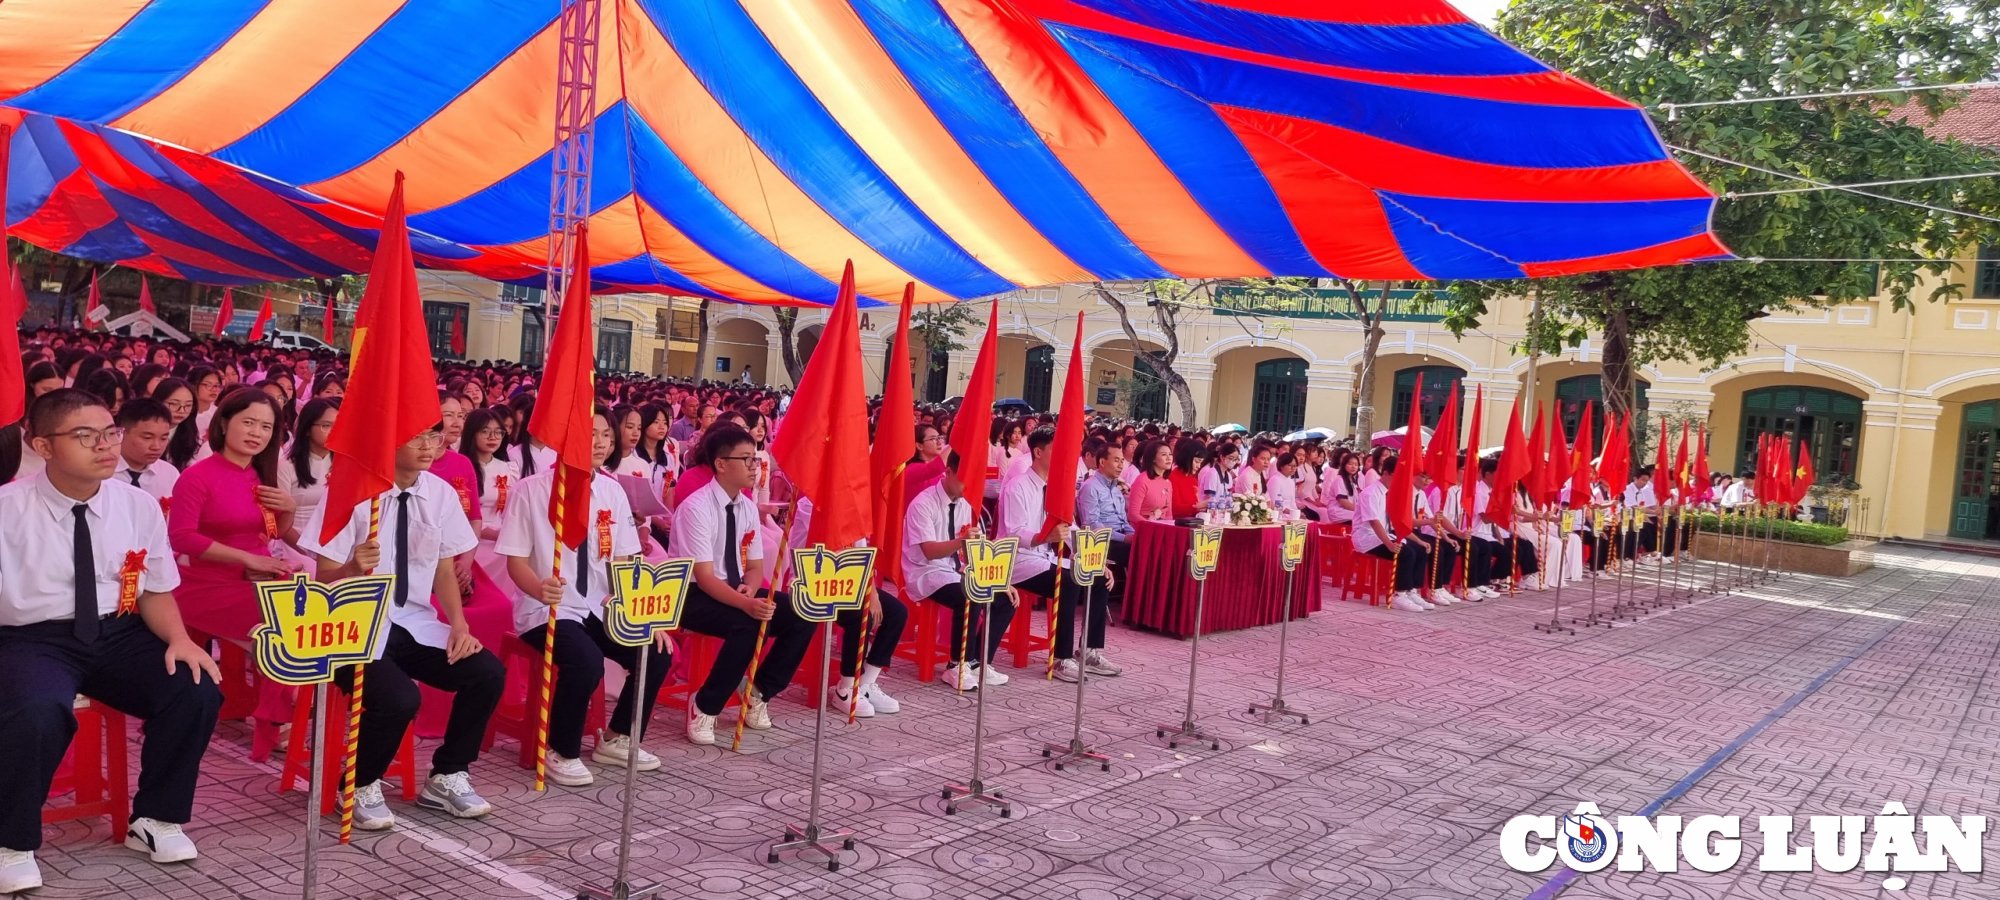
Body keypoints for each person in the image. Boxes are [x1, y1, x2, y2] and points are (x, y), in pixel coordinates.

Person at [0, 389, 223, 893]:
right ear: (44, 445)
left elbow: (156, 589)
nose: (105, 446)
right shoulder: (7, 510)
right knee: (36, 708)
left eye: (109, 433)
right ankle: (10, 841)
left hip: (118, 630)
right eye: (85, 436)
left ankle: (155, 819)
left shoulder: (137, 505)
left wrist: (180, 640)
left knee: (194, 686)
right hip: (32, 638)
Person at [303, 422, 503, 830]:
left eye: (434, 437)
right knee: (399, 699)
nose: (428, 447)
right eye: (415, 437)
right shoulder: (352, 491)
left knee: (486, 672)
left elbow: (444, 567)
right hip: (353, 626)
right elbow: (323, 577)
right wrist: (351, 567)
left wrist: (459, 626)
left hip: (413, 621)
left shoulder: (440, 493)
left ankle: (447, 774)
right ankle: (358, 785)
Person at [498, 408, 666, 786]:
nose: (600, 442)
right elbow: (515, 561)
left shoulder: (611, 490)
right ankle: (561, 748)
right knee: (586, 661)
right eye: (589, 433)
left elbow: (624, 559)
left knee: (653, 651)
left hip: (599, 605)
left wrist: (639, 613)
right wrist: (538, 587)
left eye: (606, 434)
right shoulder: (532, 490)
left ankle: (618, 736)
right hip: (547, 607)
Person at [167, 391, 298, 758]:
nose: (257, 433)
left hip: (259, 577)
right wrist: (247, 559)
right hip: (204, 584)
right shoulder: (197, 477)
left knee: (307, 615)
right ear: (224, 423)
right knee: (280, 629)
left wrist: (286, 509)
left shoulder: (259, 475)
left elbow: (272, 532)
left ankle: (283, 707)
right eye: (249, 422)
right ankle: (278, 717)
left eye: (267, 427)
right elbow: (182, 537)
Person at [667, 424, 813, 745]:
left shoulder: (746, 506)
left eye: (756, 459)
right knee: (747, 623)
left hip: (734, 590)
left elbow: (755, 565)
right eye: (746, 459)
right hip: (692, 594)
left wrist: (748, 587)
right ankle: (705, 705)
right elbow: (704, 577)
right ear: (721, 464)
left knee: (803, 613)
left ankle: (759, 691)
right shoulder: (696, 508)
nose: (754, 467)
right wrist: (746, 602)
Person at [1001, 427, 1116, 683]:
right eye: (1056, 450)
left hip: (1047, 558)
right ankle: (1062, 658)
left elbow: (1071, 528)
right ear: (1039, 452)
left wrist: (1092, 558)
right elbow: (1014, 532)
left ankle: (1089, 649)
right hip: (1019, 559)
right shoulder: (1018, 487)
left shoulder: (1056, 487)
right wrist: (1044, 538)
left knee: (1097, 579)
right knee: (1069, 580)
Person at [903, 454, 1002, 690]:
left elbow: (968, 552)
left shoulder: (964, 504)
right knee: (970, 595)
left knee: (1002, 595)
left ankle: (976, 659)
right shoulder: (923, 503)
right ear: (947, 472)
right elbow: (928, 551)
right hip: (925, 572)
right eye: (963, 478)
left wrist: (990, 575)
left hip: (954, 570)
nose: (967, 485)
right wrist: (961, 541)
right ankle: (956, 664)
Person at [1350, 454, 1431, 612]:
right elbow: (1374, 522)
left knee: (1419, 549)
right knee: (1406, 553)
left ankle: (1411, 590)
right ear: (1386, 472)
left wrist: (1419, 541)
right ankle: (1399, 595)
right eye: (1397, 476)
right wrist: (1389, 543)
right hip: (1367, 537)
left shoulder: (1391, 494)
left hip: (1385, 534)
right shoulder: (1370, 493)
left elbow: (1396, 523)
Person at [1075, 441, 1135, 606]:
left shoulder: (1116, 489)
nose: (1121, 465)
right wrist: (1125, 539)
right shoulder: (1090, 488)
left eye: (1122, 461)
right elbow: (1093, 526)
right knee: (1139, 552)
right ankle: (1134, 605)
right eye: (1116, 460)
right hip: (1102, 542)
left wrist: (1134, 534)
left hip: (1120, 536)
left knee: (1149, 547)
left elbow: (1124, 521)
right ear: (1102, 462)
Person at [113, 398, 180, 505]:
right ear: (120, 433)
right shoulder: (102, 473)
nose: (156, 446)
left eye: (163, 438)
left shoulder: (169, 474)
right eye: (147, 438)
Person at [1126, 439, 1175, 525]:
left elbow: (1168, 514)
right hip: (1144, 530)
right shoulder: (1142, 480)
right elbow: (1133, 514)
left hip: (1162, 528)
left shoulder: (1168, 483)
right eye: (1164, 455)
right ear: (1153, 459)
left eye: (1170, 454)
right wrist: (1152, 527)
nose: (1169, 458)